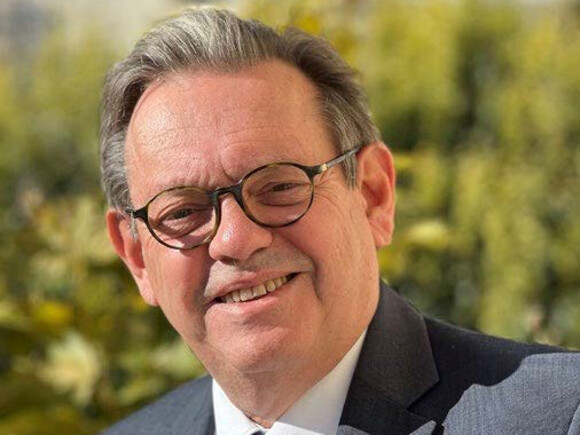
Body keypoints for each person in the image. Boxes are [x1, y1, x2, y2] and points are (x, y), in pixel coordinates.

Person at [99, 7, 580, 435]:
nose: (235, 239)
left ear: (373, 195)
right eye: (182, 212)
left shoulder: (559, 417)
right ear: (137, 257)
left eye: (278, 187)